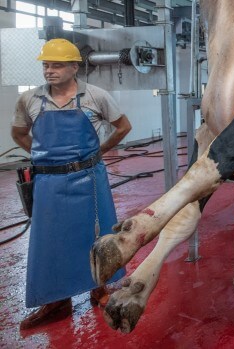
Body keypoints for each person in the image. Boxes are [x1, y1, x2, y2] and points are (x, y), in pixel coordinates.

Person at [10, 38, 132, 330]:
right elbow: (18, 133)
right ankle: (56, 300)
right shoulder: (30, 100)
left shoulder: (95, 96)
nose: (49, 71)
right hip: (49, 182)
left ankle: (99, 288)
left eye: (57, 65)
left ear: (74, 67)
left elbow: (123, 126)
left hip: (89, 178)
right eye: (46, 65)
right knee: (49, 242)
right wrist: (44, 157)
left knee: (98, 234)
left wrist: (100, 151)